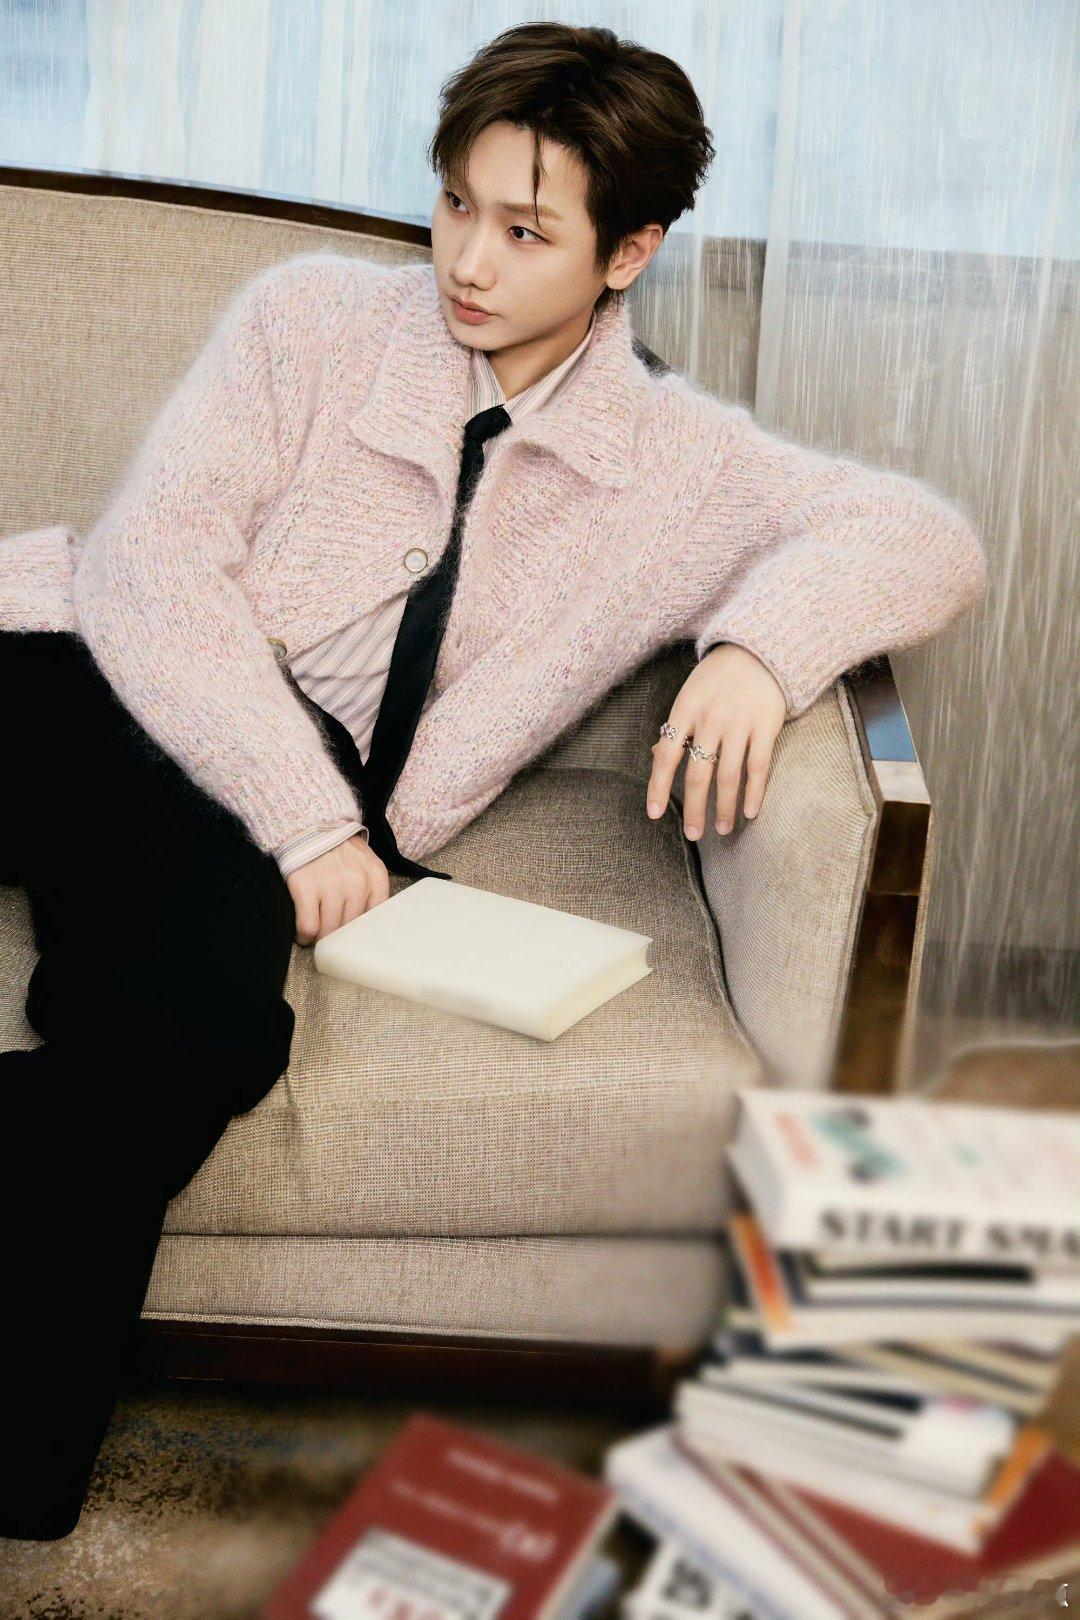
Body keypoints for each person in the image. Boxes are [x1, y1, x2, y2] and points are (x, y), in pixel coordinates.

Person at [0, 22, 987, 1540]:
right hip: (78, 666)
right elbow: (150, 567)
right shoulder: (311, 319)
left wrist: (760, 650)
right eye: (457, 204)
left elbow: (923, 536)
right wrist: (308, 822)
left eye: (527, 231)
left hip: (240, 797)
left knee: (193, 1033)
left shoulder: (670, 464)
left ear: (628, 253)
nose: (466, 259)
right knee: (192, 1017)